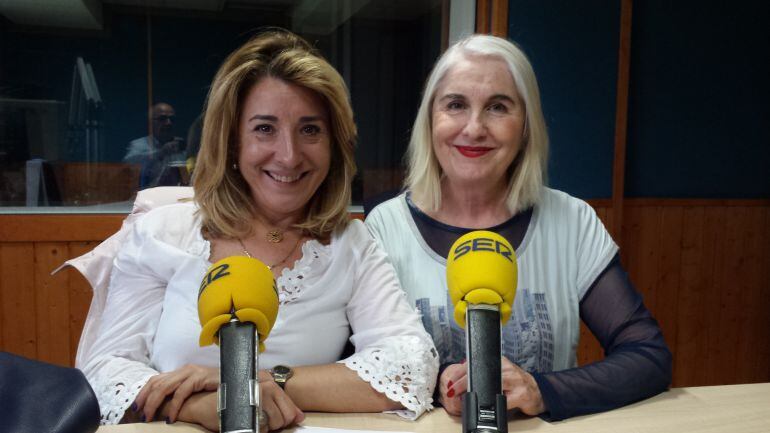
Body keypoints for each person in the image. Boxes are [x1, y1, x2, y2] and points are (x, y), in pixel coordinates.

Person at [81, 29, 438, 432]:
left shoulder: (350, 244)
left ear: (334, 143)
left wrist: (258, 383)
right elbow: (103, 373)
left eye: (310, 130)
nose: (288, 155)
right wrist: (202, 405)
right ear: (232, 141)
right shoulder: (160, 232)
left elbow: (411, 366)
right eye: (264, 128)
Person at [365, 34, 672, 421]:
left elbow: (648, 355)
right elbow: (360, 368)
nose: (474, 128)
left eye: (498, 107)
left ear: (526, 125)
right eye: (456, 105)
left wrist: (541, 390)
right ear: (430, 120)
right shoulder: (384, 228)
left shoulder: (571, 221)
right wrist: (435, 386)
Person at [124, 102, 186, 188]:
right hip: (147, 197)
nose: (168, 123)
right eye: (162, 118)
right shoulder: (139, 145)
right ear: (151, 123)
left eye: (172, 119)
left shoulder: (181, 146)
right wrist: (161, 152)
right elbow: (128, 167)